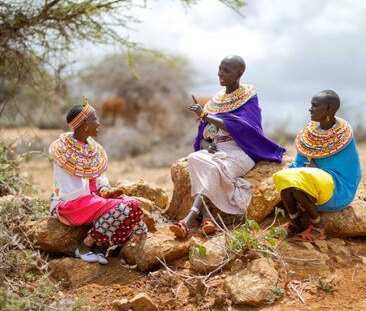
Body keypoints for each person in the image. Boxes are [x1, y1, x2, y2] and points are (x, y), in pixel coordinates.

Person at [169, 55, 285, 239]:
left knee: (214, 167)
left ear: (239, 73)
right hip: (216, 151)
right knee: (194, 158)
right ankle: (207, 218)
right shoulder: (215, 100)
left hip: (241, 151)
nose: (221, 74)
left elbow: (243, 127)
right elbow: (205, 134)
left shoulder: (249, 96)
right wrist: (209, 144)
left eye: (227, 70)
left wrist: (205, 115)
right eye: (220, 69)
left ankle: (188, 220)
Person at [49, 99, 148, 264]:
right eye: (94, 119)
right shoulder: (63, 150)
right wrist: (100, 197)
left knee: (135, 205)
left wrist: (105, 192)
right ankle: (85, 247)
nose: (99, 123)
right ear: (84, 124)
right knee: (125, 207)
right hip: (71, 204)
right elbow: (71, 189)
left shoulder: (93, 149)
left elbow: (99, 177)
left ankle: (108, 247)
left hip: (92, 200)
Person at [273, 90, 362, 242]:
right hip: (315, 181)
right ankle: (295, 222)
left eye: (315, 106)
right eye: (311, 105)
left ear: (329, 109)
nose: (310, 109)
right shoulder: (309, 133)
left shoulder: (343, 136)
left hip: (338, 187)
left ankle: (318, 227)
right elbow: (299, 163)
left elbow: (351, 173)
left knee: (300, 183)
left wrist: (314, 172)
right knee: (283, 178)